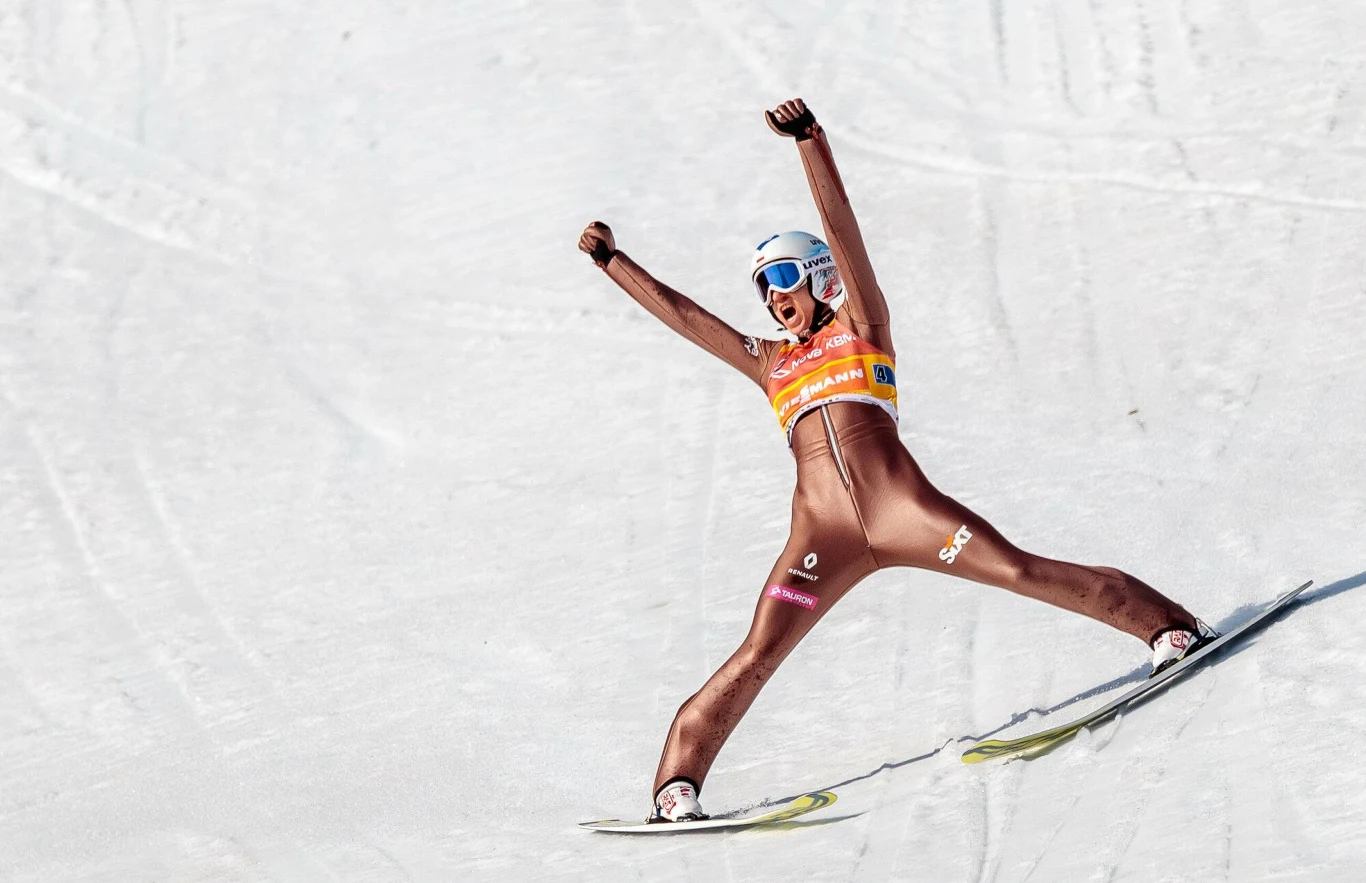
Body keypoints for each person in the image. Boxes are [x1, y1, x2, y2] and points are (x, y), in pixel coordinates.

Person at [577, 98, 1213, 824]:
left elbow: (848, 236)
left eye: (784, 277)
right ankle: (675, 785)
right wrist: (614, 263)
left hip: (904, 512)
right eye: (763, 286)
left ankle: (1168, 626)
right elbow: (688, 318)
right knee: (760, 648)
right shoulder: (770, 362)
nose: (774, 298)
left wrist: (810, 144)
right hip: (821, 539)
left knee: (1017, 569)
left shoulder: (862, 325)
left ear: (817, 275)